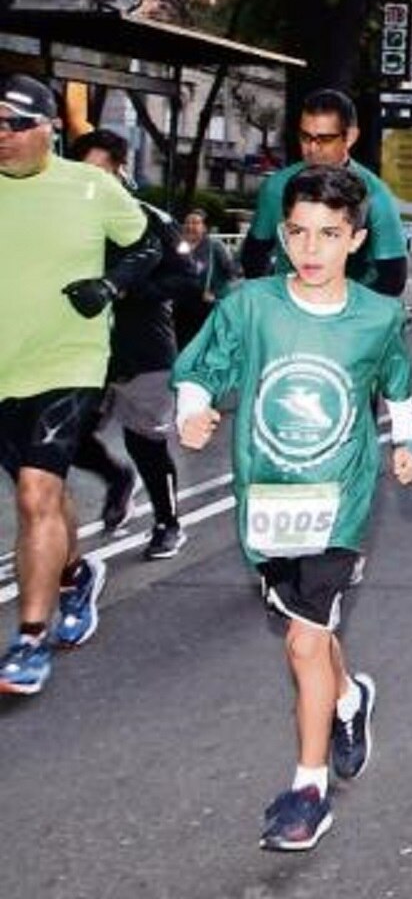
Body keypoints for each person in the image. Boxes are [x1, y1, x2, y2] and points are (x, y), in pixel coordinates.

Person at [174, 164, 412, 851]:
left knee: (303, 638)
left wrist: (407, 441)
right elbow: (203, 367)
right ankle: (349, 699)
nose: (312, 249)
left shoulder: (376, 314)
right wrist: (192, 413)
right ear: (283, 235)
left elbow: (396, 376)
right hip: (267, 497)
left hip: (338, 500)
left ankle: (307, 790)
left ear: (356, 239)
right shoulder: (250, 306)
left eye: (330, 234)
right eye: (300, 233)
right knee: (304, 626)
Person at [0, 74, 154, 696]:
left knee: (35, 495)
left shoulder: (91, 186)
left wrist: (110, 286)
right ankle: (73, 576)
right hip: (5, 367)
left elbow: (150, 245)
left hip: (69, 363)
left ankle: (29, 641)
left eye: (13, 125)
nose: (2, 137)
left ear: (47, 128)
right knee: (45, 494)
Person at [67, 129, 196, 560]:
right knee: (66, 437)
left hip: (142, 351)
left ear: (121, 171)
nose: (94, 182)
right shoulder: (61, 222)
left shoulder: (150, 219)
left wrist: (126, 291)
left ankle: (167, 522)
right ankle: (117, 478)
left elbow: (187, 276)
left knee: (147, 444)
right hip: (79, 355)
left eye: (103, 172)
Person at [241, 89, 408, 297]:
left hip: (350, 316)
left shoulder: (376, 195)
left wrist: (349, 314)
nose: (312, 148)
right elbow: (254, 256)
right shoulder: (275, 187)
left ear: (351, 137)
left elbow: (393, 277)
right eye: (305, 137)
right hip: (288, 311)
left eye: (325, 139)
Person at [174, 208, 240, 349]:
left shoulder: (215, 246)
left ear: (204, 227)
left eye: (195, 223)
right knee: (183, 346)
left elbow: (233, 273)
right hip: (183, 306)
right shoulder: (180, 246)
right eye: (187, 223)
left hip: (207, 306)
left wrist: (216, 295)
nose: (190, 226)